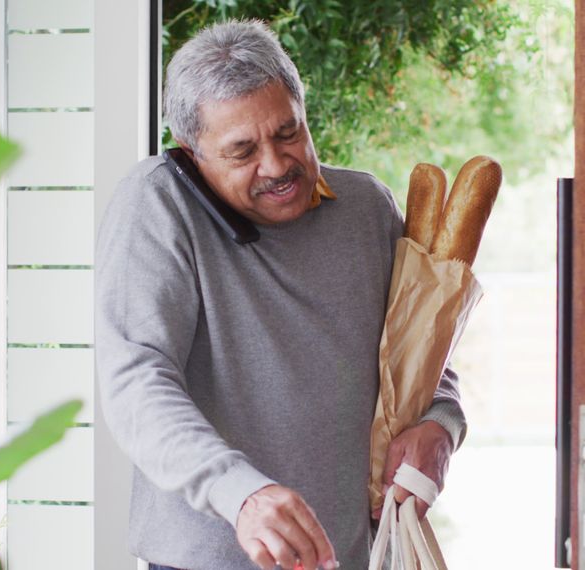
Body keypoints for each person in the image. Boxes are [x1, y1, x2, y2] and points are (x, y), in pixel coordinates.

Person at [96, 19, 466, 570]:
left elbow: (423, 356)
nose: (275, 165)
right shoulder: (157, 205)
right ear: (192, 151)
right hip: (210, 560)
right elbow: (136, 381)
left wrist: (442, 424)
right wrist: (239, 493)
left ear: (302, 108)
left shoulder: (367, 207)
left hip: (355, 556)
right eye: (242, 151)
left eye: (288, 132)